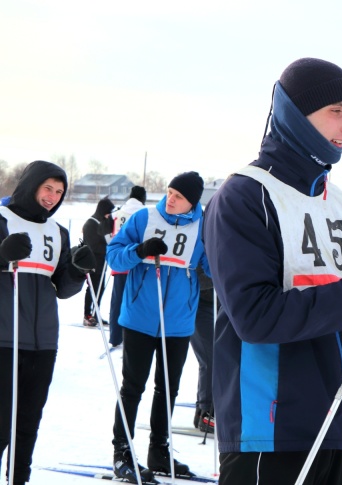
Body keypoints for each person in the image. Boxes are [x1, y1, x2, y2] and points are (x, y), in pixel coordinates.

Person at [203, 57, 342, 485]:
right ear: (295, 115)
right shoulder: (246, 197)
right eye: (337, 111)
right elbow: (254, 316)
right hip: (273, 434)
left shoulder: (341, 206)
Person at [106, 171, 209, 483]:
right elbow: (114, 258)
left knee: (168, 389)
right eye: (170, 191)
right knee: (132, 387)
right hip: (139, 316)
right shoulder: (143, 218)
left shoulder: (204, 227)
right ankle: (122, 451)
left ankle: (159, 451)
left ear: (193, 202)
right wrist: (138, 251)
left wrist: (219, 264)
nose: (171, 198)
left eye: (179, 196)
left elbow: (212, 267)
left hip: (178, 321)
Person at [0, 160, 93, 484]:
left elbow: (62, 288)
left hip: (43, 343)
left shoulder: (58, 232)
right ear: (31, 185)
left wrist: (78, 271)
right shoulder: (2, 220)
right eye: (47, 188)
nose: (53, 197)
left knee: (27, 425)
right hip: (4, 338)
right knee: (1, 425)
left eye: (59, 192)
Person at [107, 186, 147, 348]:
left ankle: (115, 337)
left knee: (117, 302)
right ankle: (134, 338)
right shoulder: (145, 214)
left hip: (119, 262)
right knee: (136, 302)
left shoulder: (117, 213)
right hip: (138, 263)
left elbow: (108, 233)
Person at [81, 197, 115, 326]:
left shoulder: (102, 223)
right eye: (108, 212)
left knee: (100, 288)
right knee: (92, 288)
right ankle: (87, 314)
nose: (109, 215)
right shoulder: (91, 224)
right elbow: (93, 246)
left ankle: (96, 313)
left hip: (101, 262)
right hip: (91, 262)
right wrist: (109, 248)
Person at [190, 267, 215, 435]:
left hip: (219, 304)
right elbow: (195, 277)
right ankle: (206, 411)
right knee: (210, 359)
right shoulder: (199, 241)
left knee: (218, 358)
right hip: (198, 304)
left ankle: (203, 409)